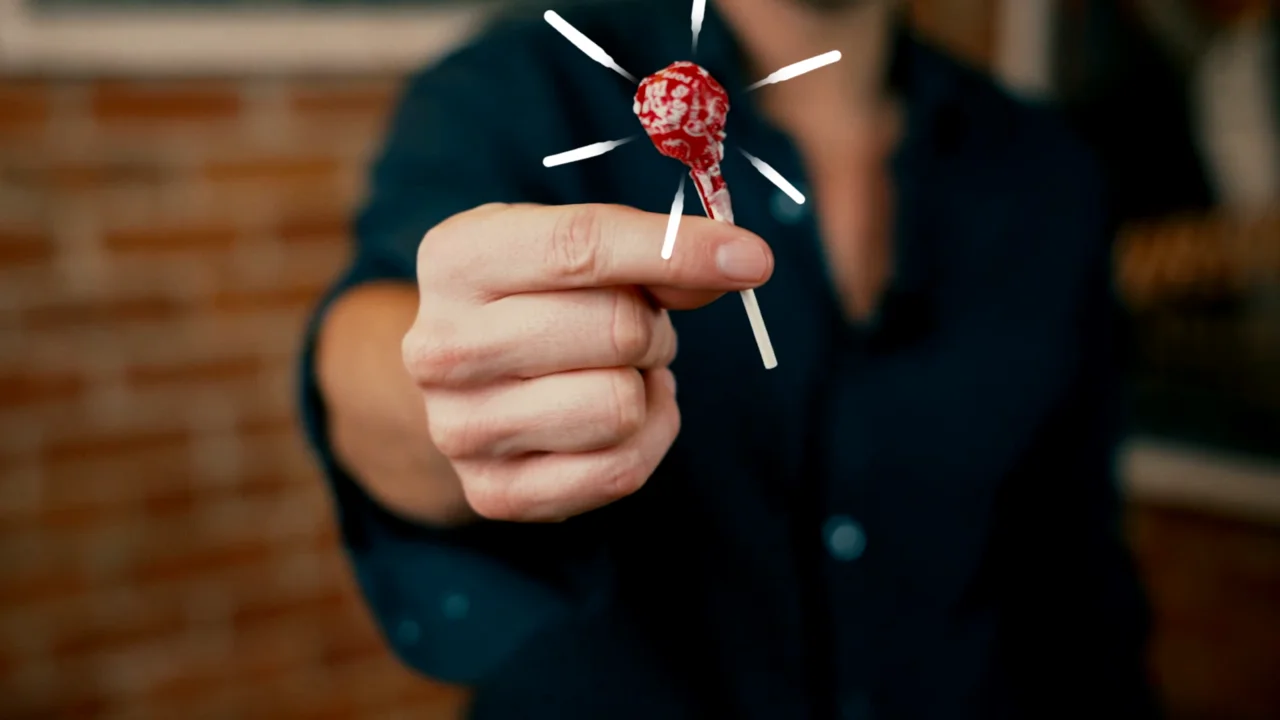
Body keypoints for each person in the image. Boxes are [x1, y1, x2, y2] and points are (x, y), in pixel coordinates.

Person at [301, 0, 1159, 717]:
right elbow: (390, 348)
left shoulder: (1048, 175)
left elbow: (1077, 588)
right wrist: (448, 395)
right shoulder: (516, 90)